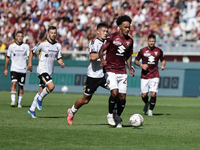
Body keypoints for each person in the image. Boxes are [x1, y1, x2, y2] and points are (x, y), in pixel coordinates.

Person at [67, 22, 109, 125]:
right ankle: (71, 111)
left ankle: (114, 115)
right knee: (85, 100)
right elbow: (93, 57)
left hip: (105, 75)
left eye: (107, 31)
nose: (105, 33)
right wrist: (104, 52)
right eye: (103, 31)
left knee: (116, 91)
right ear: (98, 32)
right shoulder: (94, 42)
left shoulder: (108, 42)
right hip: (93, 76)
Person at [99, 15, 134, 128]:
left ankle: (118, 117)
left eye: (129, 27)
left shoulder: (130, 41)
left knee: (122, 97)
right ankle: (110, 114)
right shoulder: (112, 37)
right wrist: (102, 59)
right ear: (120, 26)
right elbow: (101, 50)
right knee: (114, 93)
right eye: (125, 27)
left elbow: (128, 56)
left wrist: (129, 67)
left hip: (122, 71)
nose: (127, 29)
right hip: (110, 69)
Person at [27, 26, 65, 118]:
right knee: (51, 86)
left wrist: (61, 63)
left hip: (49, 72)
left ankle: (31, 109)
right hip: (42, 70)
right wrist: (30, 64)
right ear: (48, 33)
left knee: (41, 91)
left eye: (54, 33)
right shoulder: (42, 44)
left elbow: (58, 58)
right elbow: (32, 51)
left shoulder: (58, 46)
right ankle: (40, 99)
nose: (53, 34)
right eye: (51, 33)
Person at [134, 34, 166, 116]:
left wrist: (162, 65)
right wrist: (141, 65)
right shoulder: (142, 51)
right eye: (150, 41)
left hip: (155, 75)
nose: (151, 43)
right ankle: (147, 103)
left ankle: (150, 111)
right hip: (144, 76)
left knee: (153, 93)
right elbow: (136, 61)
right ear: (147, 41)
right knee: (144, 95)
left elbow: (163, 60)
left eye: (153, 41)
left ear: (155, 41)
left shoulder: (159, 51)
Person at [4, 31, 30, 108]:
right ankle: (13, 101)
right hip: (14, 68)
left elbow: (29, 57)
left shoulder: (26, 46)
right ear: (15, 37)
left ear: (23, 37)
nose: (20, 37)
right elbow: (7, 57)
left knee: (21, 86)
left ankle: (19, 103)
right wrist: (5, 69)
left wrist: (29, 66)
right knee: (14, 83)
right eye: (18, 36)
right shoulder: (11, 46)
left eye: (21, 36)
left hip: (22, 69)